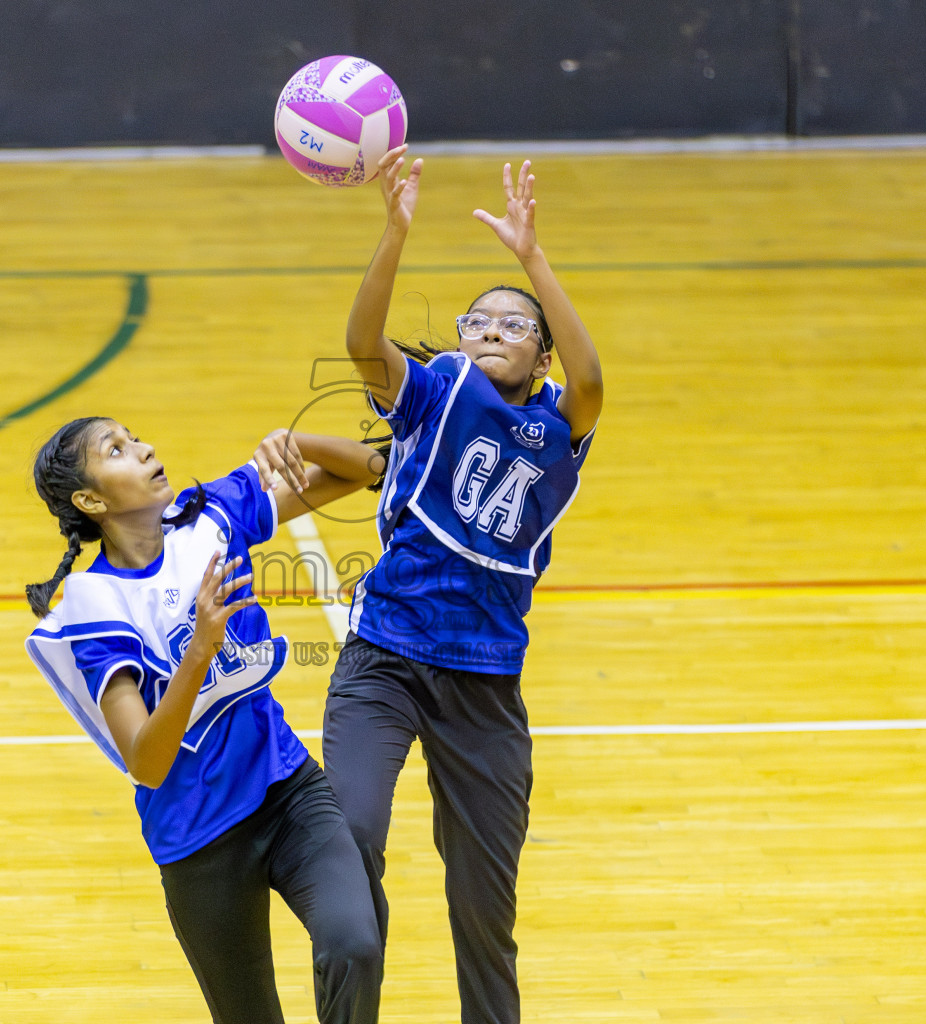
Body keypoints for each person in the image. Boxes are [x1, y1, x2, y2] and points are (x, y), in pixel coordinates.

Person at [323, 146, 605, 1024]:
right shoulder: (435, 390)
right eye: (475, 319)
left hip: (484, 679)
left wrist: (534, 262)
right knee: (351, 839)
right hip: (385, 659)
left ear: (540, 356)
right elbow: (363, 344)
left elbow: (594, 379)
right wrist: (394, 229)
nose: (488, 330)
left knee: (486, 908)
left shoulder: (560, 422)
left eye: (511, 325)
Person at [22, 416, 386, 1024]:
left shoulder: (210, 516)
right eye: (118, 450)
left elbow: (368, 471)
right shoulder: (95, 604)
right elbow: (147, 760)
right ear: (91, 500)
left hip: (285, 789)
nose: (145, 449)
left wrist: (297, 442)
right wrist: (200, 652)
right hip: (198, 839)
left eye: (136, 437)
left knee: (356, 943)